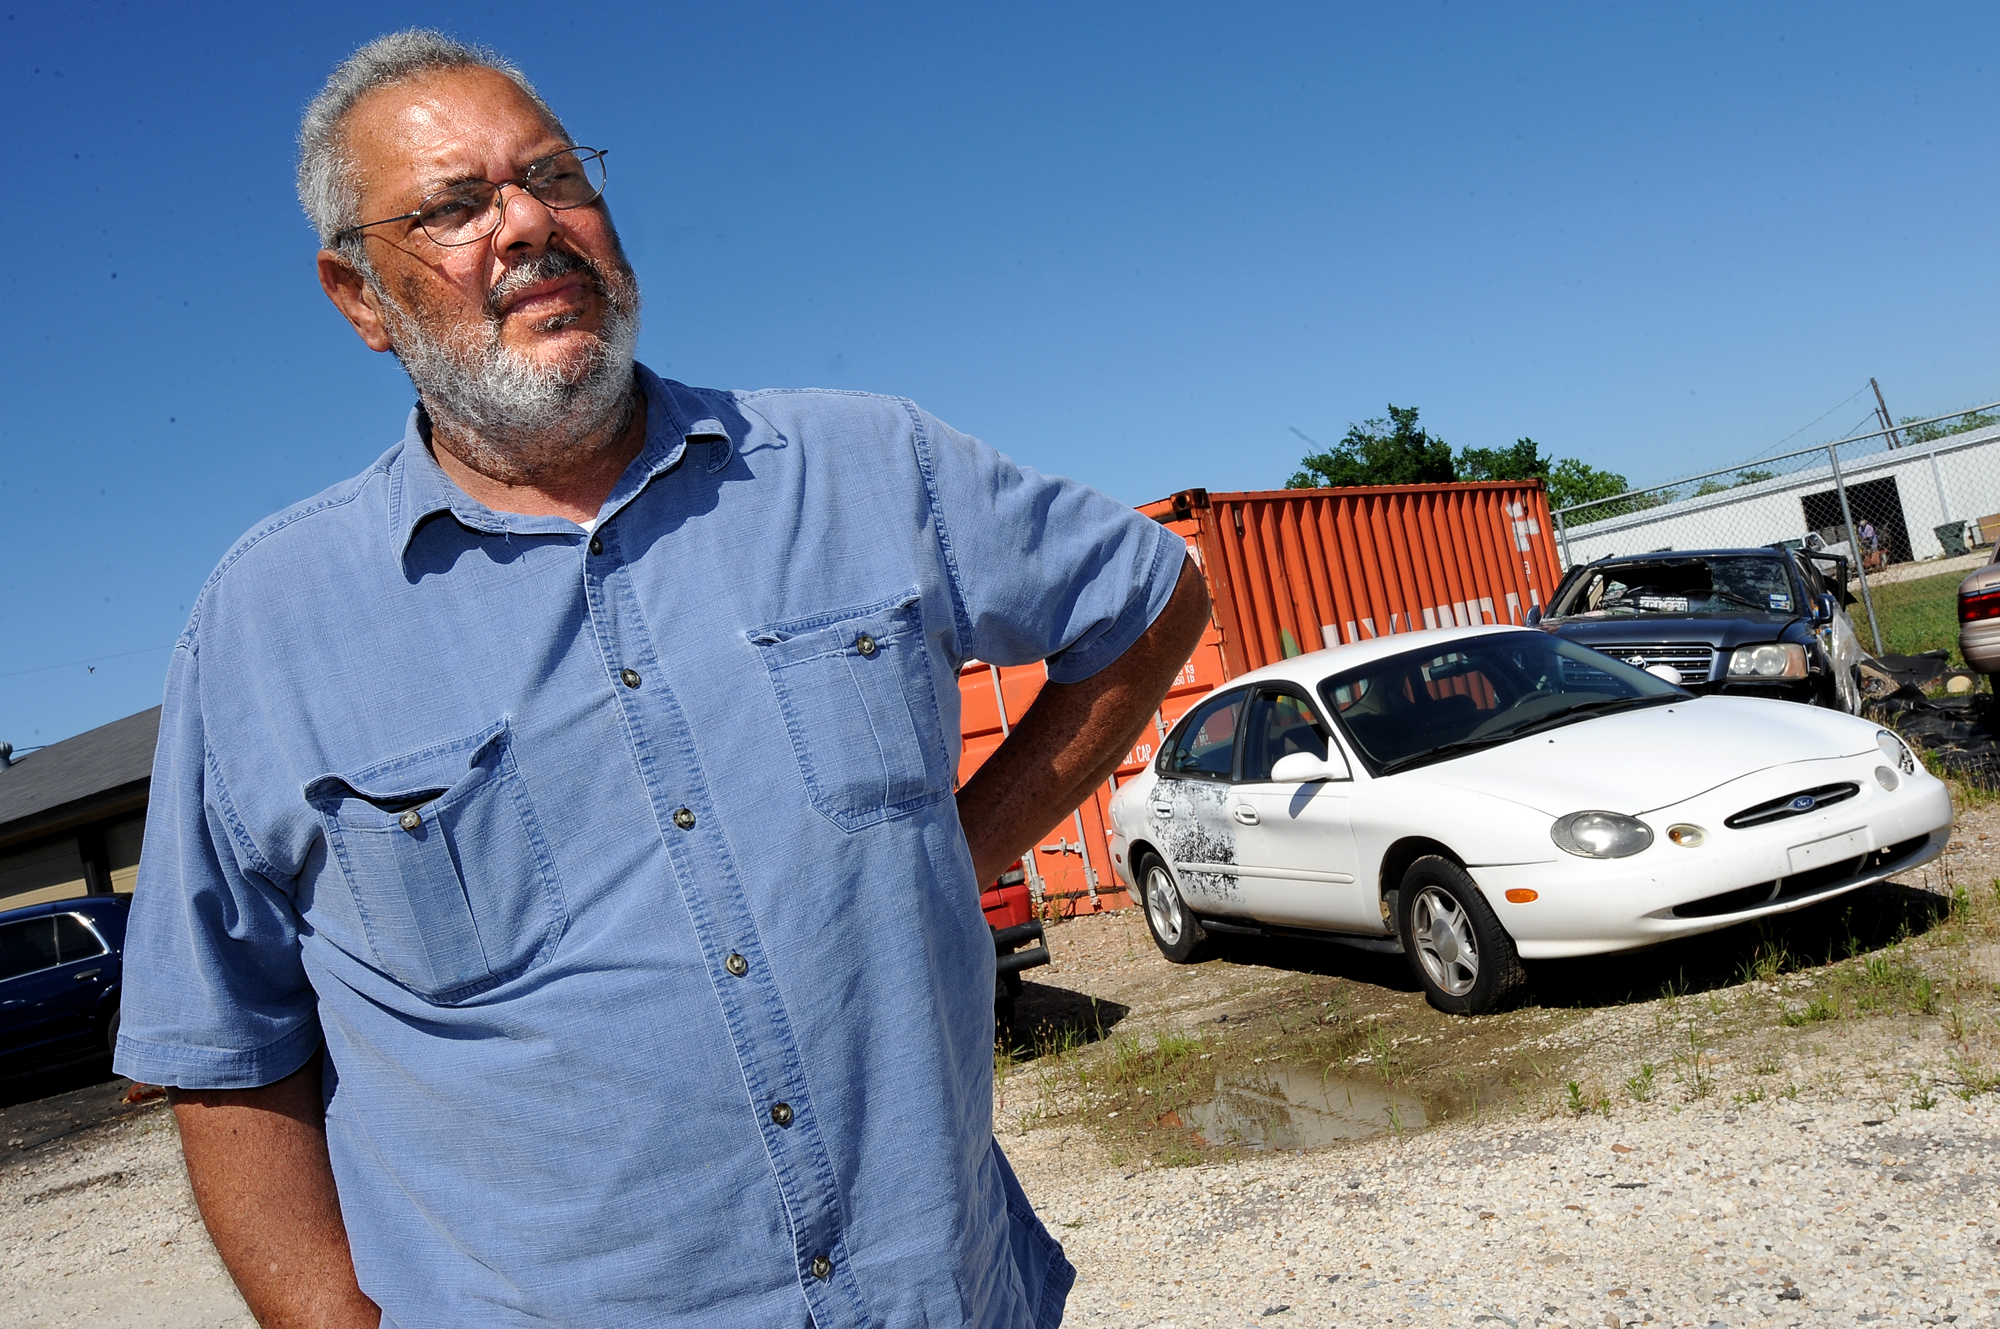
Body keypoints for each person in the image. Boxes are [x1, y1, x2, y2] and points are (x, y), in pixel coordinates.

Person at [113, 30, 1208, 1329]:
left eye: (557, 175)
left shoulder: (864, 465)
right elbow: (228, 1060)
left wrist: (961, 845)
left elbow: (1148, 599)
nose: (528, 221)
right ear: (360, 297)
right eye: (457, 206)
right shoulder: (262, 630)